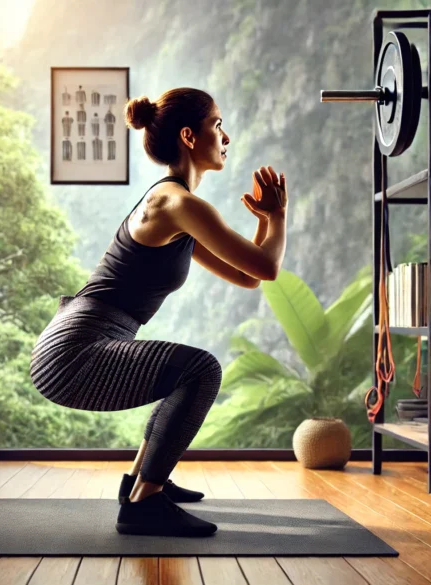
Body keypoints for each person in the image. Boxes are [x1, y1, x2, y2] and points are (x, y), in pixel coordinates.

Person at [30, 88, 288, 537]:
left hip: (80, 341)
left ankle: (142, 482)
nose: (226, 136)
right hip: (72, 353)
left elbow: (248, 276)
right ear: (189, 136)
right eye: (217, 125)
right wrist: (279, 216)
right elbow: (266, 266)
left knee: (183, 373)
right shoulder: (176, 204)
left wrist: (265, 221)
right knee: (200, 371)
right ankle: (144, 503)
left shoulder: (176, 206)